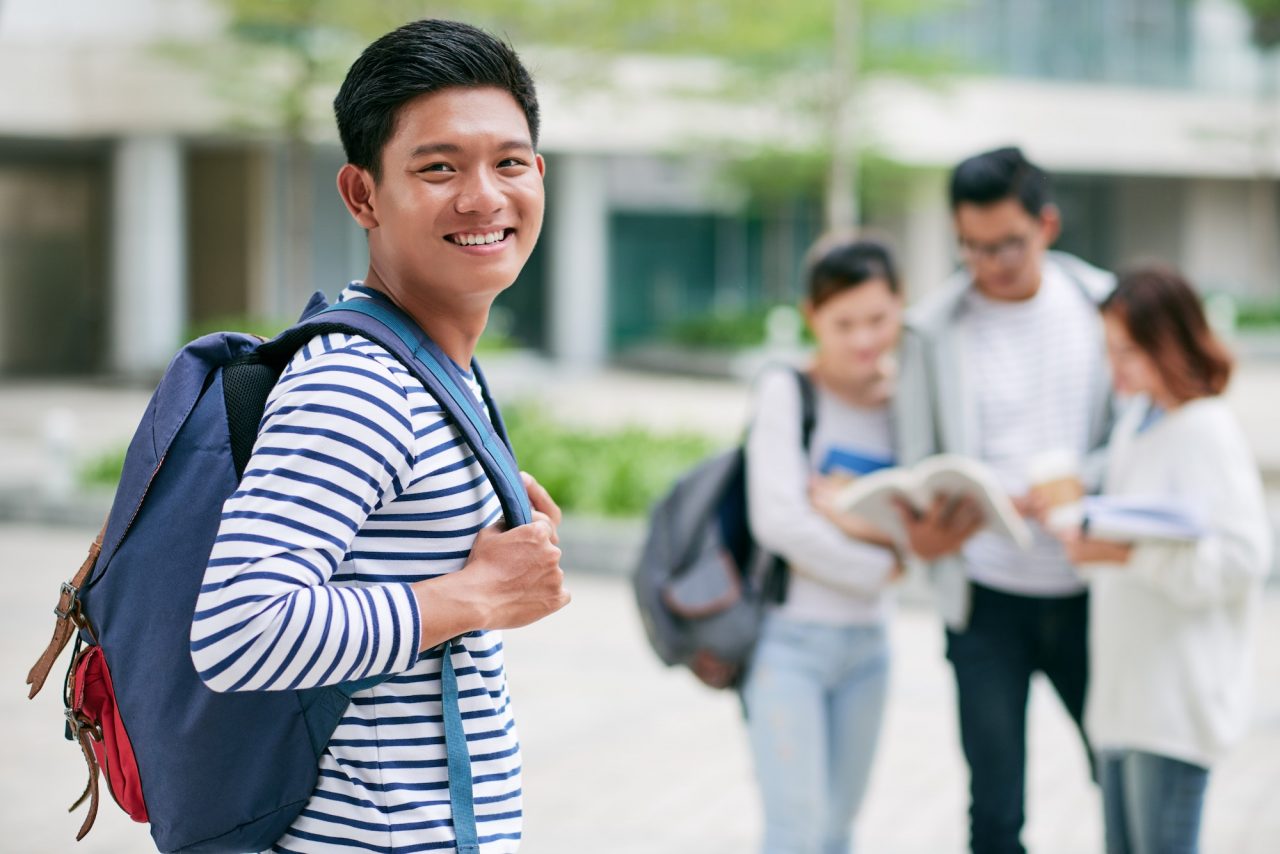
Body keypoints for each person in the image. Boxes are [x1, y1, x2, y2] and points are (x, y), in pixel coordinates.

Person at [188, 20, 570, 853]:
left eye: (508, 163)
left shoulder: (429, 365)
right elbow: (239, 630)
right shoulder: (357, 383)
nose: (483, 197)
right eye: (439, 168)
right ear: (362, 195)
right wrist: (478, 597)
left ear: (539, 175)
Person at [893, 146, 1115, 854]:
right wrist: (920, 531)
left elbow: (1140, 438)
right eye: (972, 247)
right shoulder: (932, 330)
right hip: (985, 598)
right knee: (994, 811)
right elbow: (917, 458)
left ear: (1047, 224)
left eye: (1007, 245)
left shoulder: (1104, 309)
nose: (989, 263)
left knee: (1124, 780)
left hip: (1095, 588)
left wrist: (1083, 489)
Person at [1056, 265, 1271, 854]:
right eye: (1110, 349)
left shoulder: (1206, 430)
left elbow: (1241, 559)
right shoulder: (1138, 423)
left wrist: (1126, 555)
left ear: (1170, 340)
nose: (1115, 366)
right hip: (1125, 701)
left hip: (1175, 707)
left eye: (1129, 350)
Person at [744, 235, 904, 854]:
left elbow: (921, 522)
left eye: (878, 320)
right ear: (812, 317)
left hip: (870, 648)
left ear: (900, 306)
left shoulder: (906, 401)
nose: (864, 339)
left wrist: (852, 520)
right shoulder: (789, 390)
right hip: (790, 644)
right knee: (796, 832)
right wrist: (884, 564)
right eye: (844, 324)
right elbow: (779, 521)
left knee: (837, 833)